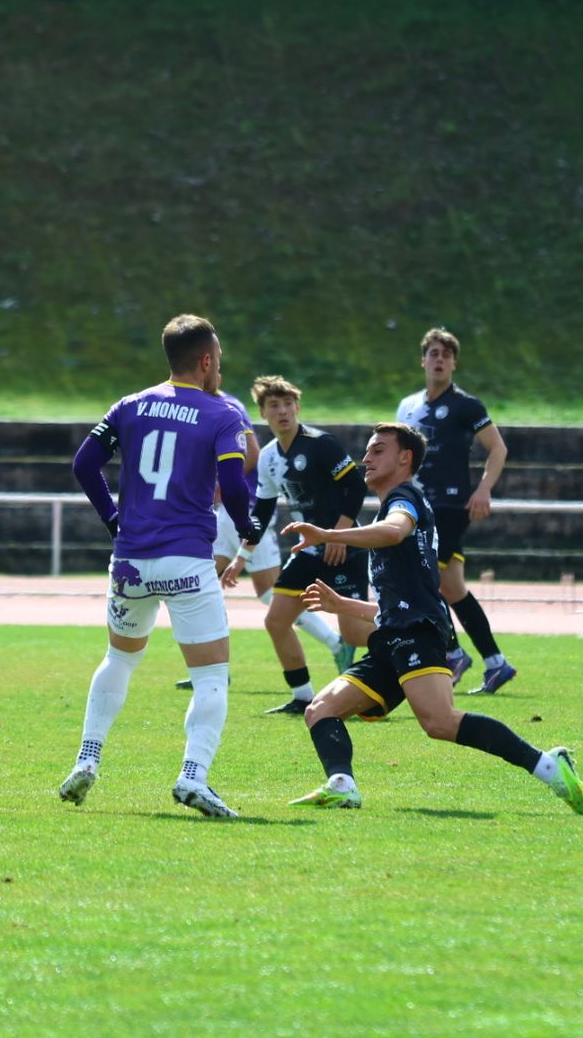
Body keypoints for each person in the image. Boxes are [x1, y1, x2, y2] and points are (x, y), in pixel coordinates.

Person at [279, 422, 583, 814]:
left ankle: (547, 764)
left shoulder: (404, 499)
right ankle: (342, 785)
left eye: (378, 451)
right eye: (368, 451)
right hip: (394, 635)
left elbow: (394, 531)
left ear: (404, 458)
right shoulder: (396, 504)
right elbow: (397, 606)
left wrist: (329, 534)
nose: (366, 459)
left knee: (439, 722)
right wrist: (343, 605)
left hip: (417, 633)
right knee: (320, 710)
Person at [58, 314, 266, 818]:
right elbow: (235, 485)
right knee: (212, 676)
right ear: (207, 360)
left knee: (119, 659)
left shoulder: (128, 405)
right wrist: (249, 527)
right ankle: (193, 776)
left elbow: (85, 464)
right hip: (187, 561)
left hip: (129, 560)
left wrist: (113, 518)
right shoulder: (222, 414)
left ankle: (87, 758)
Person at [172, 382, 350, 691]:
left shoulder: (227, 406)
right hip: (227, 515)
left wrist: (222, 486)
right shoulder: (200, 407)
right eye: (274, 406)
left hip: (242, 510)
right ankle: (215, 667)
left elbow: (249, 454)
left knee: (269, 595)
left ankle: (336, 644)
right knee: (202, 585)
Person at [229, 376, 374, 715]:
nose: (282, 411)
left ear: (297, 406)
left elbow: (355, 485)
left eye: (287, 404)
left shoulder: (321, 444)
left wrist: (337, 534)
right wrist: (241, 557)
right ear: (262, 414)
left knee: (353, 632)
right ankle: (303, 696)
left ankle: (422, 642)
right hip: (308, 550)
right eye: (274, 406)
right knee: (276, 621)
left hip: (343, 546)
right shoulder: (267, 458)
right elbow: (263, 512)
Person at [394, 328, 515, 694]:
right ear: (423, 360)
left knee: (422, 581)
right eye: (433, 353)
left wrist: (483, 489)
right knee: (452, 587)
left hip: (450, 506)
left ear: (454, 363)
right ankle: (496, 663)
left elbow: (498, 448)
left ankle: (452, 652)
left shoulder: (467, 405)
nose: (440, 359)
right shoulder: (408, 407)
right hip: (418, 504)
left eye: (446, 354)